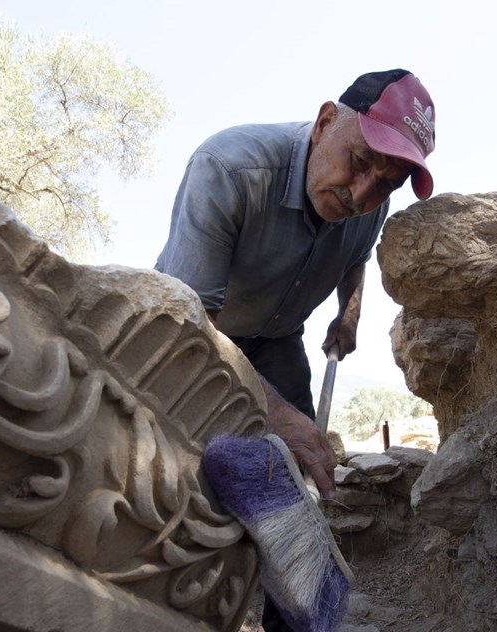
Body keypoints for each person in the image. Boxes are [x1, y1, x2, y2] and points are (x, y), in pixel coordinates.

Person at [155, 69, 436, 630]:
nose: (361, 194)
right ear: (326, 121)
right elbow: (191, 328)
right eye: (358, 163)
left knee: (299, 484)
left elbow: (354, 253)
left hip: (278, 340)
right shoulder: (229, 169)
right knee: (187, 476)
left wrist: (348, 313)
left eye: (384, 183)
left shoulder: (367, 206)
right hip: (192, 334)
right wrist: (277, 414)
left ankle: (298, 621)